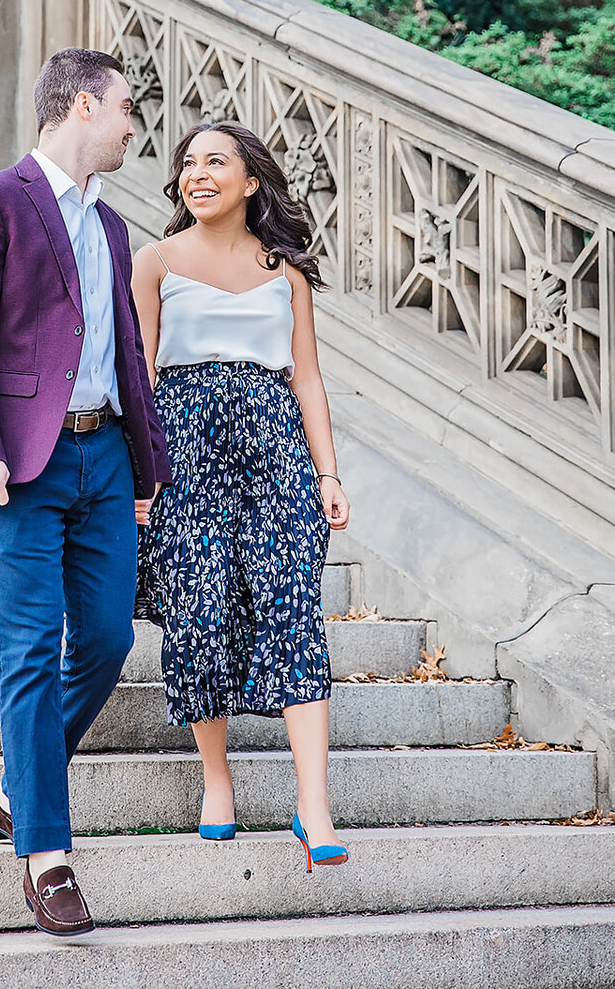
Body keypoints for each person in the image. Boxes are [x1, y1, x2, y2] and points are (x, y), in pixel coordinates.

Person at [0, 47, 171, 937]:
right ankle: (49, 856)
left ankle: (12, 789)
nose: (132, 126)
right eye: (124, 109)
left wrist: (146, 469)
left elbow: (126, 358)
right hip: (20, 466)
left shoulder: (111, 228)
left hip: (104, 458)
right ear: (79, 106)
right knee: (32, 648)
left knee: (106, 639)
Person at [132, 121, 351, 868]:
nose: (197, 173)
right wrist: (142, 475)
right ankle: (217, 781)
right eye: (188, 163)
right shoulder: (155, 262)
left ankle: (313, 805)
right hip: (186, 452)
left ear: (252, 181)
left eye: (215, 161)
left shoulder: (283, 270)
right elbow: (143, 379)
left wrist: (328, 473)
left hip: (277, 454)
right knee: (200, 610)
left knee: (292, 606)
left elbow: (308, 378)